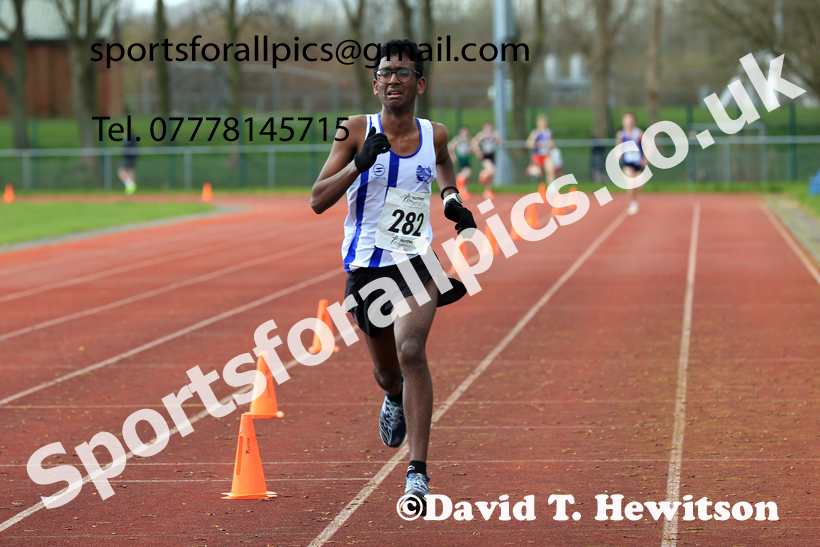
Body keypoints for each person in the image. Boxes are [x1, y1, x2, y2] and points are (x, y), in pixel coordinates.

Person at [310, 39, 476, 508]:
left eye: (403, 73)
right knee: (387, 372)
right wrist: (359, 165)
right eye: (385, 72)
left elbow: (443, 162)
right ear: (375, 82)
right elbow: (318, 199)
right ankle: (393, 396)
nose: (393, 80)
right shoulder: (354, 130)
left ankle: (417, 472)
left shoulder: (435, 134)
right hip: (366, 268)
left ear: (419, 83)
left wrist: (450, 199)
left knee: (411, 350)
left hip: (416, 261)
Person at [615, 112, 648, 215]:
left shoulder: (639, 133)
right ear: (623, 122)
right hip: (627, 163)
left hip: (638, 163)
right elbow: (618, 146)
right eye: (626, 120)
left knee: (639, 186)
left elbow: (648, 146)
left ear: (634, 122)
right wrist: (618, 154)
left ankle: (634, 198)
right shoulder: (621, 134)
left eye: (630, 120)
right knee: (630, 184)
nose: (628, 123)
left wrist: (645, 159)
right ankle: (633, 204)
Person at [471, 121, 503, 199]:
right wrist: (478, 151)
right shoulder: (481, 135)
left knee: (492, 174)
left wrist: (498, 140)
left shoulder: (495, 134)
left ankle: (488, 190)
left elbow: (502, 144)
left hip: (492, 155)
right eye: (487, 127)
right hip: (485, 155)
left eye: (490, 127)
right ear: (484, 127)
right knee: (492, 170)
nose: (489, 128)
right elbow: (473, 142)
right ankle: (483, 173)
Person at [525, 116, 555, 187]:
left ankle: (551, 189)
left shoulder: (549, 132)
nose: (543, 124)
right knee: (539, 173)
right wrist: (537, 144)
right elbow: (528, 144)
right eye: (541, 122)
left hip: (546, 155)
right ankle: (531, 169)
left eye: (544, 122)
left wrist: (552, 145)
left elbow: (551, 143)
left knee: (551, 171)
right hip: (537, 155)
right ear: (538, 123)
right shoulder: (535, 133)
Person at [448, 126, 473, 195]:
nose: (465, 133)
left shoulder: (469, 139)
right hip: (460, 159)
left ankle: (463, 188)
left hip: (466, 159)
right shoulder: (458, 139)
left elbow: (473, 148)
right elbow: (450, 146)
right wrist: (453, 155)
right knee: (467, 172)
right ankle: (461, 187)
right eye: (463, 131)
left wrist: (470, 150)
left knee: (468, 175)